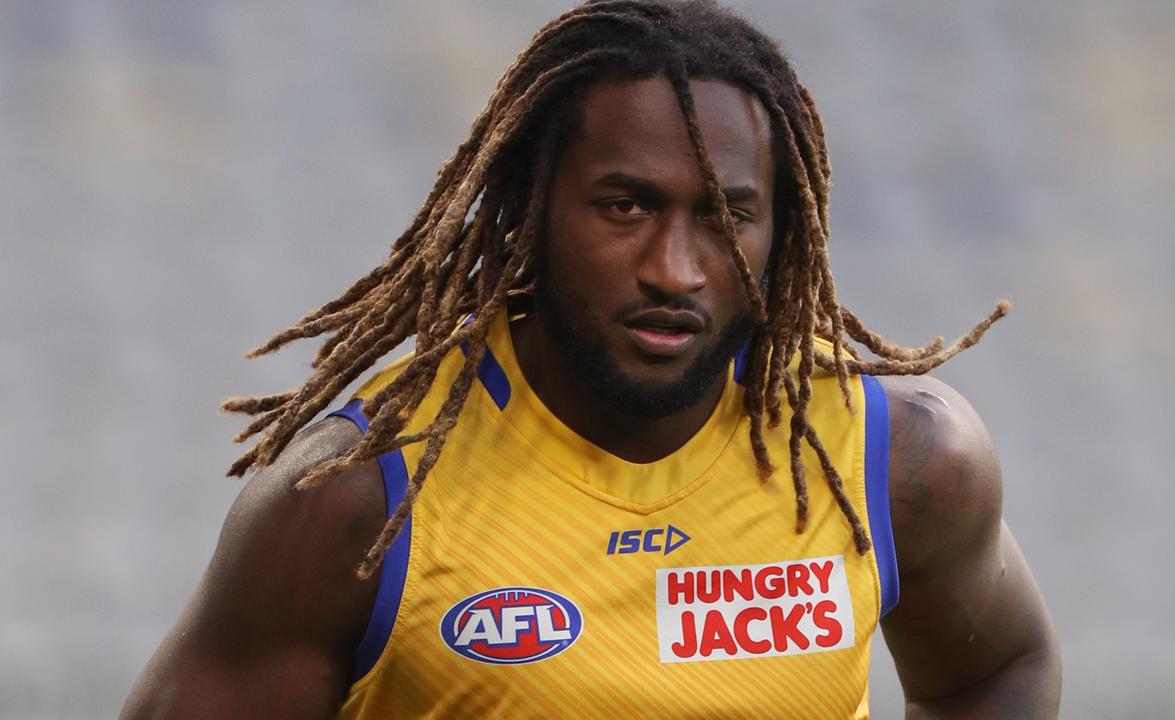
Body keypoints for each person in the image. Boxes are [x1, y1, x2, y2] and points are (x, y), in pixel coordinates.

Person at [123, 1, 1061, 717]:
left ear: (786, 228)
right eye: (625, 206)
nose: (676, 269)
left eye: (726, 215)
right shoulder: (358, 500)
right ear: (531, 207)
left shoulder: (898, 463)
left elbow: (1002, 668)